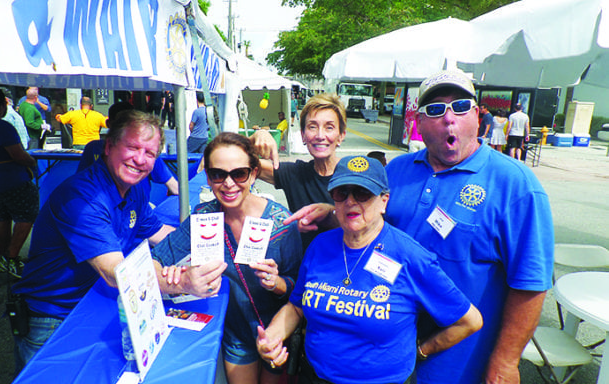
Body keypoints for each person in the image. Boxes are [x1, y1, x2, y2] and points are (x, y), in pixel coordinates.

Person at [284, 70, 554, 384]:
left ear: (478, 117)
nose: (449, 118)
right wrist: (332, 212)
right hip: (386, 352)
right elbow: (366, 224)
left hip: (461, 360)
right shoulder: (397, 171)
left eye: (461, 107)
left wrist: (506, 361)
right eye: (436, 110)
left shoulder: (515, 185)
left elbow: (530, 282)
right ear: (420, 122)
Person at [11, 110, 225, 372]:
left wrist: (216, 240)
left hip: (96, 304)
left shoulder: (133, 189)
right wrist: (181, 282)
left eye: (150, 153)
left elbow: (161, 234)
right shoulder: (81, 197)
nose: (140, 159)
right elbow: (118, 273)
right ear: (109, 147)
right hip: (53, 316)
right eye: (133, 147)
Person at [256, 155, 482, 384]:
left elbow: (469, 320)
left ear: (384, 201)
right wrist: (272, 337)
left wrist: (421, 351)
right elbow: (296, 307)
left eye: (362, 193)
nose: (351, 202)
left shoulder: (410, 256)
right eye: (341, 193)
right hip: (315, 377)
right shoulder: (320, 246)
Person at [153, 132, 302, 384]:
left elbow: (299, 290)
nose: (229, 183)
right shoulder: (203, 217)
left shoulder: (281, 223)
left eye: (239, 174)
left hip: (277, 333)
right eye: (218, 174)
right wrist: (178, 281)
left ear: (254, 174)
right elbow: (156, 260)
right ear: (207, 176)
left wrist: (277, 283)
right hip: (235, 333)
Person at [250, 93, 346, 250]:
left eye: (329, 127)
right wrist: (257, 136)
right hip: (304, 269)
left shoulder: (354, 177)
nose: (320, 136)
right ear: (303, 135)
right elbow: (235, 161)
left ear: (341, 135)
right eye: (312, 127)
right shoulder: (295, 174)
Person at [0, 87, 39, 279]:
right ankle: (11, 257)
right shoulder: (1, 126)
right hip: (11, 177)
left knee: (2, 215)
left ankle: (3, 257)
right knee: (27, 213)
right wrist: (31, 162)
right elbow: (18, 154)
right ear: (3, 104)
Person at [77, 101, 179, 196]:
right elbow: (81, 183)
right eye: (131, 148)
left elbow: (174, 187)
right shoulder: (93, 148)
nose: (138, 160)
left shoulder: (146, 155)